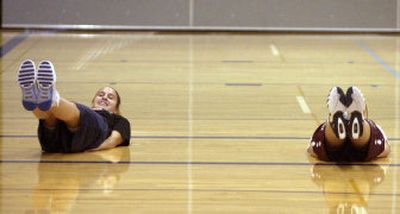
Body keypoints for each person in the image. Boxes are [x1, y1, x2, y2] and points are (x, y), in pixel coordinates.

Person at [17, 59, 131, 153]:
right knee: (49, 115)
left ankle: (48, 97)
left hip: (93, 135)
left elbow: (114, 140)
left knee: (78, 111)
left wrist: (95, 148)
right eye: (100, 95)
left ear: (116, 109)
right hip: (52, 145)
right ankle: (35, 100)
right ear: (93, 101)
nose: (104, 97)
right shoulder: (84, 111)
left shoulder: (119, 120)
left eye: (110, 97)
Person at [307, 86, 390, 161]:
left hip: (333, 154)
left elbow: (312, 149)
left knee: (326, 142)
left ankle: (334, 123)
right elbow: (385, 149)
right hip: (362, 153)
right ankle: (359, 124)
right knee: (371, 140)